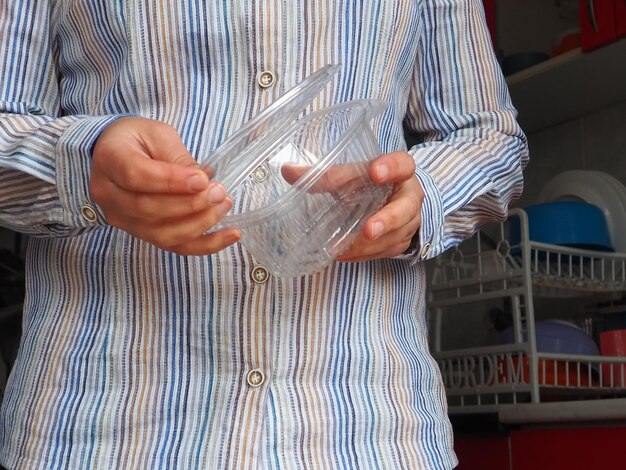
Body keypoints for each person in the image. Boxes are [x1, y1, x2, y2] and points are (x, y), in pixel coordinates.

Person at [0, 1, 528, 468]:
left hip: (366, 428)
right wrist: (83, 164)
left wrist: (423, 194)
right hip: (105, 425)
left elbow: (490, 137)